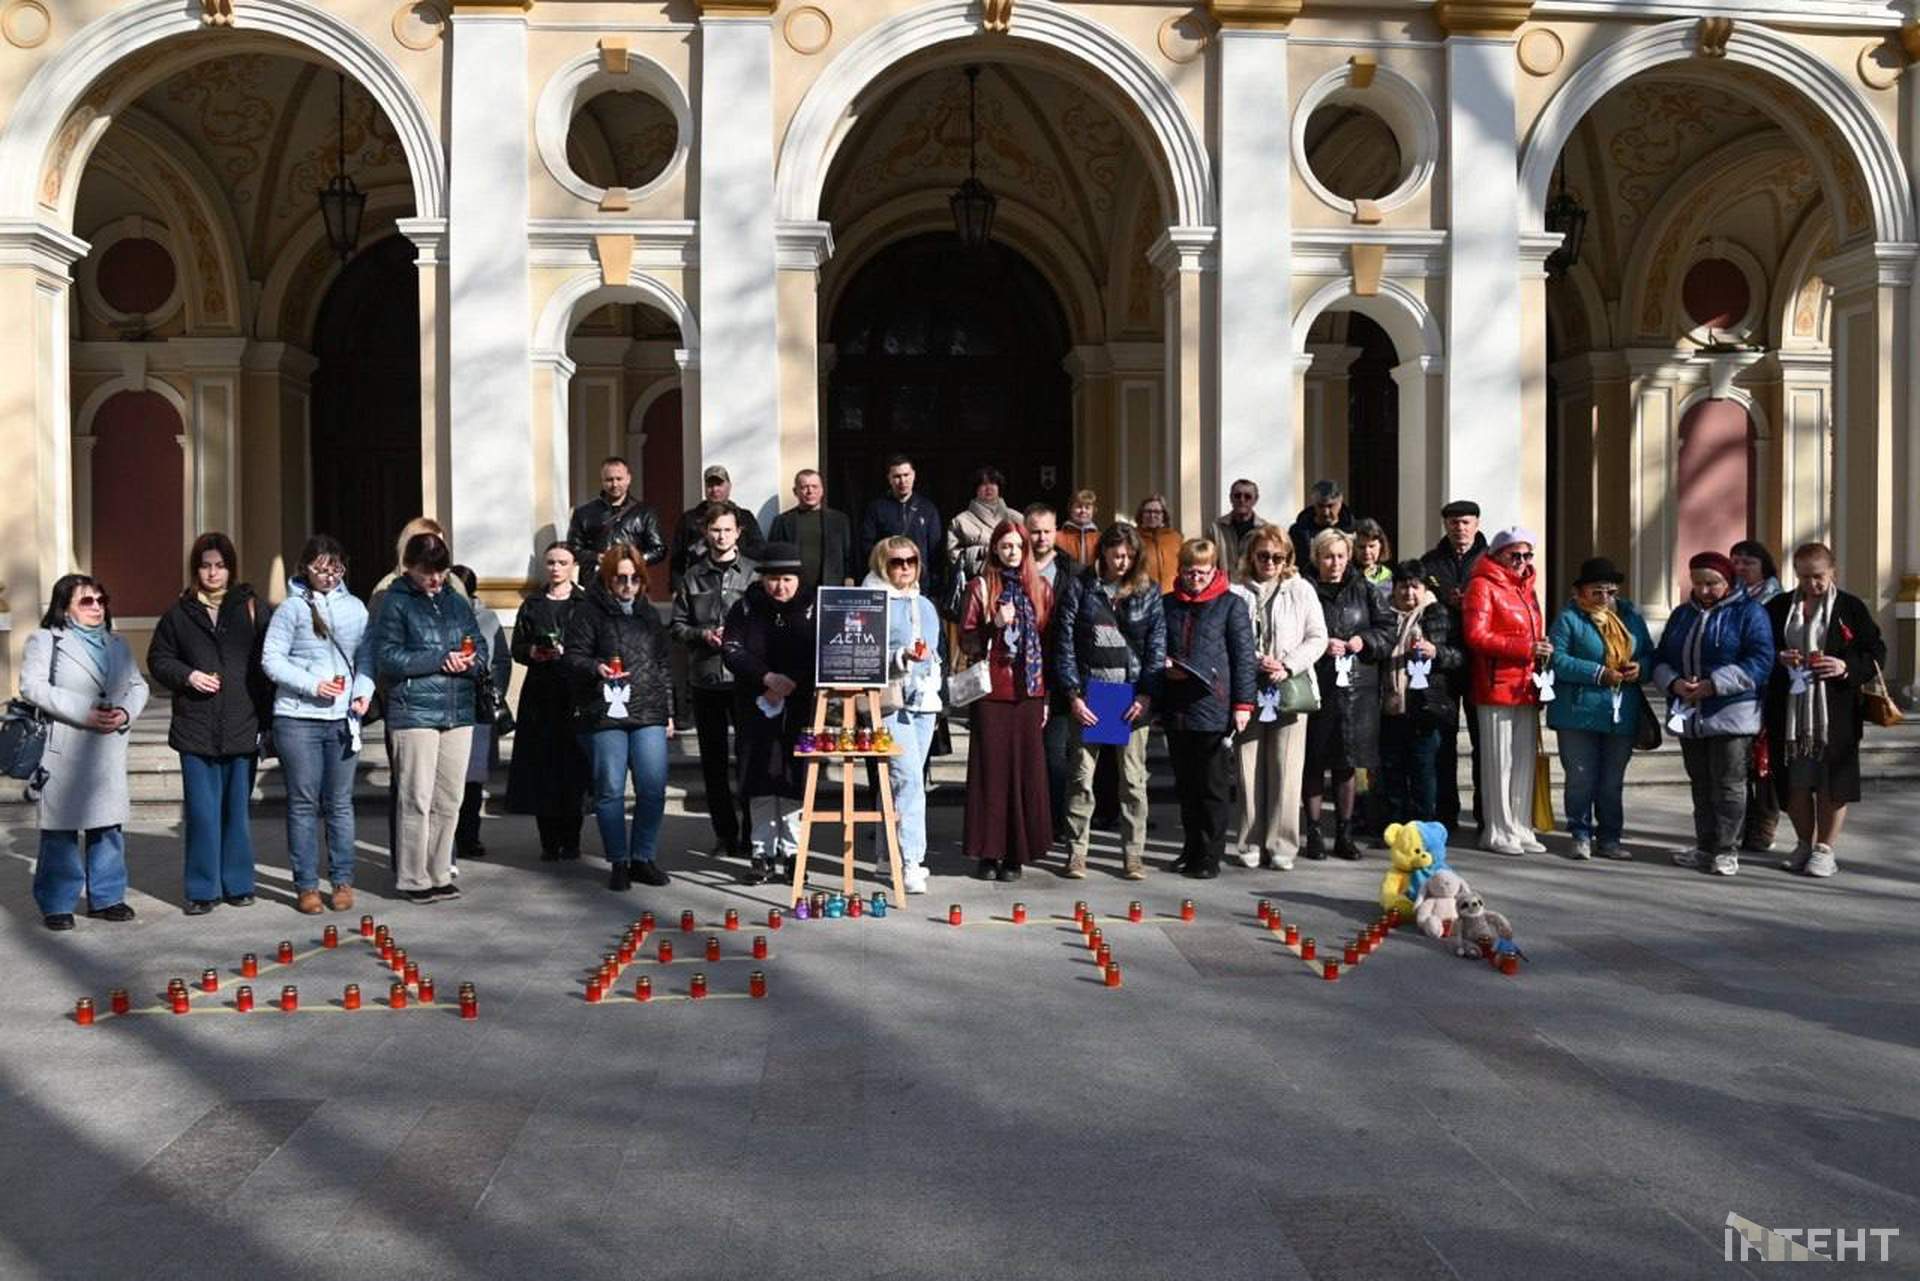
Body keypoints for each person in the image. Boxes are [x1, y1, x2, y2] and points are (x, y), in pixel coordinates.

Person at [147, 532, 268, 915]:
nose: (212, 573)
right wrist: (189, 676)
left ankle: (238, 884)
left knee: (236, 812)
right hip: (195, 727)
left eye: (219, 565)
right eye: (205, 565)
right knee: (201, 814)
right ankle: (202, 890)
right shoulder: (179, 614)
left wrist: (267, 723)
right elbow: (159, 660)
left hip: (241, 724)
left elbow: (268, 667)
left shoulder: (251, 609)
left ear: (230, 568)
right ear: (195, 569)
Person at [21, 574, 150, 931]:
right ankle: (57, 903)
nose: (96, 607)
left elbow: (139, 685)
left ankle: (108, 897)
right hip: (65, 745)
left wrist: (125, 712)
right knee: (60, 830)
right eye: (86, 601)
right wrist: (85, 711)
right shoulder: (47, 640)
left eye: (100, 600)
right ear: (64, 608)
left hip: (108, 744)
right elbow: (32, 686)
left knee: (107, 825)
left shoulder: (118, 644)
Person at [261, 535, 375, 913]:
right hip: (298, 718)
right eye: (320, 569)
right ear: (305, 568)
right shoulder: (291, 609)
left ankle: (342, 880)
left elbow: (366, 658)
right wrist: (313, 684)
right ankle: (306, 885)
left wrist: (363, 691)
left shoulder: (356, 608)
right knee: (304, 802)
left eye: (335, 569)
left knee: (340, 803)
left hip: (342, 718)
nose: (328, 576)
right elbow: (271, 660)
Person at [373, 531, 484, 903]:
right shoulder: (396, 602)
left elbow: (479, 648)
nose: (435, 578)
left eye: (440, 571)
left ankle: (439, 872)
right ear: (410, 567)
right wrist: (439, 660)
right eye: (427, 572)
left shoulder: (456, 601)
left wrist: (469, 661)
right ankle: (412, 877)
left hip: (458, 709)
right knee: (415, 797)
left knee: (449, 797)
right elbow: (386, 657)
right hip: (413, 712)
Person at [1764, 542, 1885, 878]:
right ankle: (1803, 843)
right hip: (1789, 711)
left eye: (1818, 577)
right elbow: (1761, 649)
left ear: (1833, 572)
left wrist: (1844, 666)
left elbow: (1875, 651)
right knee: (1795, 782)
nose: (1811, 584)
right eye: (1803, 577)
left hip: (1834, 710)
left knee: (1831, 782)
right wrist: (1779, 657)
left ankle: (1825, 850)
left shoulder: (1849, 607)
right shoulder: (1778, 606)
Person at [1052, 523, 1166, 880]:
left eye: (1130, 556)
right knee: (1081, 777)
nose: (1123, 561)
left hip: (1130, 696)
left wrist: (1147, 694)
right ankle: (1077, 853)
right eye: (1117, 554)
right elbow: (1065, 643)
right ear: (1103, 552)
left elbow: (1156, 646)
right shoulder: (1081, 587)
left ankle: (1133, 855)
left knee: (1133, 781)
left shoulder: (1148, 591)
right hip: (1090, 694)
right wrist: (1072, 694)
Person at [1651, 550, 1774, 876]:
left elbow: (1761, 662)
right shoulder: (1681, 615)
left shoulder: (1750, 613)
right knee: (1701, 783)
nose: (1705, 590)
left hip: (1732, 712)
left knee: (1729, 783)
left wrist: (1714, 685)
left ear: (1728, 581)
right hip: (1690, 712)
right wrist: (1674, 683)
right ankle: (1704, 846)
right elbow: (1661, 657)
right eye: (1698, 583)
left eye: (1713, 583)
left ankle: (1726, 849)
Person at [565, 544, 675, 892]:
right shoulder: (588, 613)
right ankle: (619, 861)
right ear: (607, 580)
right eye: (620, 579)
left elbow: (662, 665)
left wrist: (669, 711)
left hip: (648, 710)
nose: (628, 586)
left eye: (634, 579)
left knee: (653, 788)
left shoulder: (649, 614)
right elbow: (572, 658)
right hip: (606, 710)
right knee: (610, 789)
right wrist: (595, 667)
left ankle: (643, 857)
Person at [958, 518, 1055, 881]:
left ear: (1026, 550)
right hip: (992, 690)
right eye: (1005, 546)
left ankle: (1015, 853)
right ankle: (989, 852)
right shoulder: (981, 587)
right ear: (995, 549)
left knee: (1024, 771)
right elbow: (966, 641)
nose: (1011, 552)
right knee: (991, 772)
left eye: (1017, 546)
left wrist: (1046, 696)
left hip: (1028, 691)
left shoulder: (1041, 588)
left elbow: (1047, 645)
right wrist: (993, 624)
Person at [1228, 528, 1326, 870]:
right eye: (1263, 556)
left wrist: (1287, 664)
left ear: (1287, 559)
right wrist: (1255, 659)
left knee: (1287, 768)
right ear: (1251, 556)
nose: (1270, 563)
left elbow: (1318, 637)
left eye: (1277, 557)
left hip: (1290, 687)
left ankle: (1283, 844)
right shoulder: (1236, 591)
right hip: (1248, 686)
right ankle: (1250, 842)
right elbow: (1229, 635)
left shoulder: (1301, 589)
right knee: (1248, 767)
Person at [1546, 557, 1653, 861]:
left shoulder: (1630, 617)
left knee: (1611, 781)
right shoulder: (1569, 619)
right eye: (1597, 592)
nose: (1605, 598)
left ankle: (1610, 838)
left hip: (1620, 712)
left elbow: (1649, 654)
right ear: (1580, 592)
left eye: (1610, 591)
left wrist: (1640, 668)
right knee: (1580, 777)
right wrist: (1597, 673)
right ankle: (1580, 833)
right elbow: (1558, 660)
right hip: (1578, 712)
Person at [722, 543, 817, 884]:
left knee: (793, 777)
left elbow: (824, 653)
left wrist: (794, 681)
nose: (781, 586)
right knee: (759, 777)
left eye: (787, 579)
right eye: (774, 579)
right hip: (755, 701)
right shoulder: (746, 606)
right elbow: (731, 649)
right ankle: (762, 851)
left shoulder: (813, 607)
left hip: (799, 703)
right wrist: (765, 677)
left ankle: (793, 853)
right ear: (763, 579)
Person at [1161, 538, 1256, 878]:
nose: (1195, 578)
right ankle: (1190, 849)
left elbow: (1244, 659)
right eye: (1189, 572)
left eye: (1202, 572)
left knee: (1212, 788)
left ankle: (1209, 856)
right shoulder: (1168, 604)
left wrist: (1243, 704)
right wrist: (1164, 666)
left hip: (1213, 707)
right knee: (1185, 786)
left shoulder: (1231, 605)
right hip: (1178, 708)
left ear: (1214, 570)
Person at [670, 504, 757, 860]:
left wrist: (740, 637)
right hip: (706, 679)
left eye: (727, 530)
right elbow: (676, 626)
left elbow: (766, 622)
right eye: (715, 530)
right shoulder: (693, 576)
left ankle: (754, 835)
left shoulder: (753, 574)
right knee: (714, 764)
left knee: (750, 760)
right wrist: (703, 634)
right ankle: (725, 834)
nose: (721, 536)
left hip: (745, 680)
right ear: (707, 533)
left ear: (738, 532)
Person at [1301, 528, 1393, 860]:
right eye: (1328, 556)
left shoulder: (1365, 589)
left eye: (1341, 555)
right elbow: (1293, 632)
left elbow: (1388, 629)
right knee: (1313, 762)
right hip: (1317, 685)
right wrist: (1319, 645)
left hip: (1358, 689)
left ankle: (1345, 833)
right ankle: (1313, 831)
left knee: (1346, 764)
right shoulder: (1303, 588)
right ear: (1316, 558)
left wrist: (1363, 641)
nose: (1335, 563)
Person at [1462, 526, 1552, 856]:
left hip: (1526, 684)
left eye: (1528, 555)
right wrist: (1526, 648)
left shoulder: (1527, 589)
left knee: (1523, 759)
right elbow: (1476, 635)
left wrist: (1539, 651)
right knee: (1499, 761)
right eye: (1515, 555)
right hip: (1495, 682)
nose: (1522, 561)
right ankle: (1497, 829)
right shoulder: (1482, 586)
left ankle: (1520, 825)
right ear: (1498, 555)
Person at [864, 536, 944, 894]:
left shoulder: (925, 604)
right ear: (883, 563)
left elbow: (935, 651)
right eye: (897, 562)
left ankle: (885, 854)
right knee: (908, 777)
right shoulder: (872, 600)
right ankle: (912, 860)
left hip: (924, 700)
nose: (905, 568)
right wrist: (900, 658)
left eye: (911, 560)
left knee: (903, 780)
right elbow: (862, 653)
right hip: (887, 699)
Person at [508, 542, 590, 861]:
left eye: (562, 562)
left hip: (574, 692)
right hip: (540, 693)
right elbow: (517, 646)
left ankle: (572, 839)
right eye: (551, 562)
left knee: (573, 766)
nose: (556, 568)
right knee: (542, 766)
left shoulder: (584, 603)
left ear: (573, 567)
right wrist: (533, 651)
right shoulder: (533, 603)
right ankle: (548, 841)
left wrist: (571, 653)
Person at [1376, 560, 1462, 829]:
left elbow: (1459, 656)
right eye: (1403, 587)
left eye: (1415, 587)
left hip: (1427, 706)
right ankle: (1394, 825)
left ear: (1424, 589)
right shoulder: (1383, 615)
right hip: (1390, 704)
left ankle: (1424, 827)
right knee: (1392, 768)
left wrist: (1437, 652)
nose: (1409, 593)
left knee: (1424, 770)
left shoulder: (1439, 614)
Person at [1420, 499, 1487, 835]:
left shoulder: (1491, 561)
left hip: (1480, 661)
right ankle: (1446, 814)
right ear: (1445, 525)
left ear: (1476, 524)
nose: (1459, 528)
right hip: (1441, 662)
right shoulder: (1430, 563)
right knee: (1442, 742)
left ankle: (1485, 814)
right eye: (1453, 522)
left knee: (1483, 743)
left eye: (1465, 522)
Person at [449, 564, 511, 863]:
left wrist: (493, 691)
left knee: (472, 781)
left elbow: (501, 659)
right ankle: (446, 839)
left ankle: (469, 836)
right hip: (447, 703)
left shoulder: (486, 618)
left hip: (476, 707)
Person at [1731, 538, 1784, 853]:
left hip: (1768, 688)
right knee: (1739, 762)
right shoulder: (1730, 596)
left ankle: (1763, 826)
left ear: (1764, 565)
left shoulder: (1777, 600)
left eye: (1747, 562)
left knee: (1764, 762)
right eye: (1735, 561)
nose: (1739, 568)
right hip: (1736, 690)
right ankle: (1740, 824)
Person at [1024, 503, 1074, 835]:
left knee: (1055, 756)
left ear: (1056, 531)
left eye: (1046, 530)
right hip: (1021, 674)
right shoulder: (1013, 563)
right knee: (1026, 755)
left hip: (1058, 673)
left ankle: (1055, 823)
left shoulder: (1074, 571)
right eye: (1035, 531)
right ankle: (1027, 820)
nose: (1041, 537)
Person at [857, 454, 946, 605]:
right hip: (886, 585)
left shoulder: (927, 509)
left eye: (906, 475)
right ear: (889, 479)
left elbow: (935, 553)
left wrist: (934, 588)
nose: (902, 481)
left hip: (920, 587)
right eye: (897, 476)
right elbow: (867, 546)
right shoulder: (876, 508)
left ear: (914, 475)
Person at [669, 464, 765, 582]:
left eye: (719, 484)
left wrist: (733, 550)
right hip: (699, 582)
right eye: (710, 485)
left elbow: (760, 550)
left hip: (738, 580)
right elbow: (677, 558)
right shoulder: (689, 519)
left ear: (729, 487)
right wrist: (676, 587)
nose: (715, 489)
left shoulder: (745, 517)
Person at [566, 455, 667, 565]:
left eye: (619, 479)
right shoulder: (584, 513)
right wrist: (595, 557)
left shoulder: (644, 513)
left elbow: (658, 549)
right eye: (609, 480)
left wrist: (634, 561)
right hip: (595, 577)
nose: (614, 484)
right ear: (602, 481)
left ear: (628, 479)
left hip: (629, 577)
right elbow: (572, 548)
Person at [769, 468, 854, 591]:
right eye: (804, 487)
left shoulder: (840, 520)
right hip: (794, 589)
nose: (810, 491)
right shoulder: (782, 521)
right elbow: (774, 556)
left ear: (822, 490)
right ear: (795, 491)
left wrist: (849, 577)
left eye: (814, 487)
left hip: (831, 586)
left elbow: (849, 553)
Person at [945, 465, 1014, 597]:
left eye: (993, 483)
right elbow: (953, 556)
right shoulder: (960, 521)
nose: (988, 488)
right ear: (975, 489)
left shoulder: (1015, 518)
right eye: (983, 484)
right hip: (976, 586)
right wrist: (979, 552)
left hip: (1011, 583)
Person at [1287, 479, 1357, 571]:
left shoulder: (1354, 530)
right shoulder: (1298, 532)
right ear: (1313, 504)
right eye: (1320, 506)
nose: (1325, 512)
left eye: (1330, 506)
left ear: (1340, 503)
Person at [1209, 478, 1267, 575]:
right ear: (1231, 498)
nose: (1242, 500)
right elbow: (1208, 562)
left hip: (1253, 586)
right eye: (1237, 496)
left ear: (1255, 499)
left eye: (1247, 496)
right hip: (1224, 586)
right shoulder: (1215, 529)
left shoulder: (1265, 530)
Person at [1134, 493, 1183, 593]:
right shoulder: (1133, 537)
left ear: (1163, 515)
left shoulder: (1175, 538)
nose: (1152, 515)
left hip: (1172, 594)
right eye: (1148, 512)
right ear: (1141, 515)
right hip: (1143, 595)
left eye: (1157, 512)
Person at [1058, 489, 1101, 567]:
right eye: (1078, 507)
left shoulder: (1100, 538)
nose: (1083, 511)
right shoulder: (1058, 537)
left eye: (1087, 507)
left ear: (1093, 511)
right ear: (1070, 509)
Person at [1353, 518, 1394, 590]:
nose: (1366, 551)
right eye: (1361, 547)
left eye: (1371, 546)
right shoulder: (1346, 576)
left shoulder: (1388, 577)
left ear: (1381, 546)